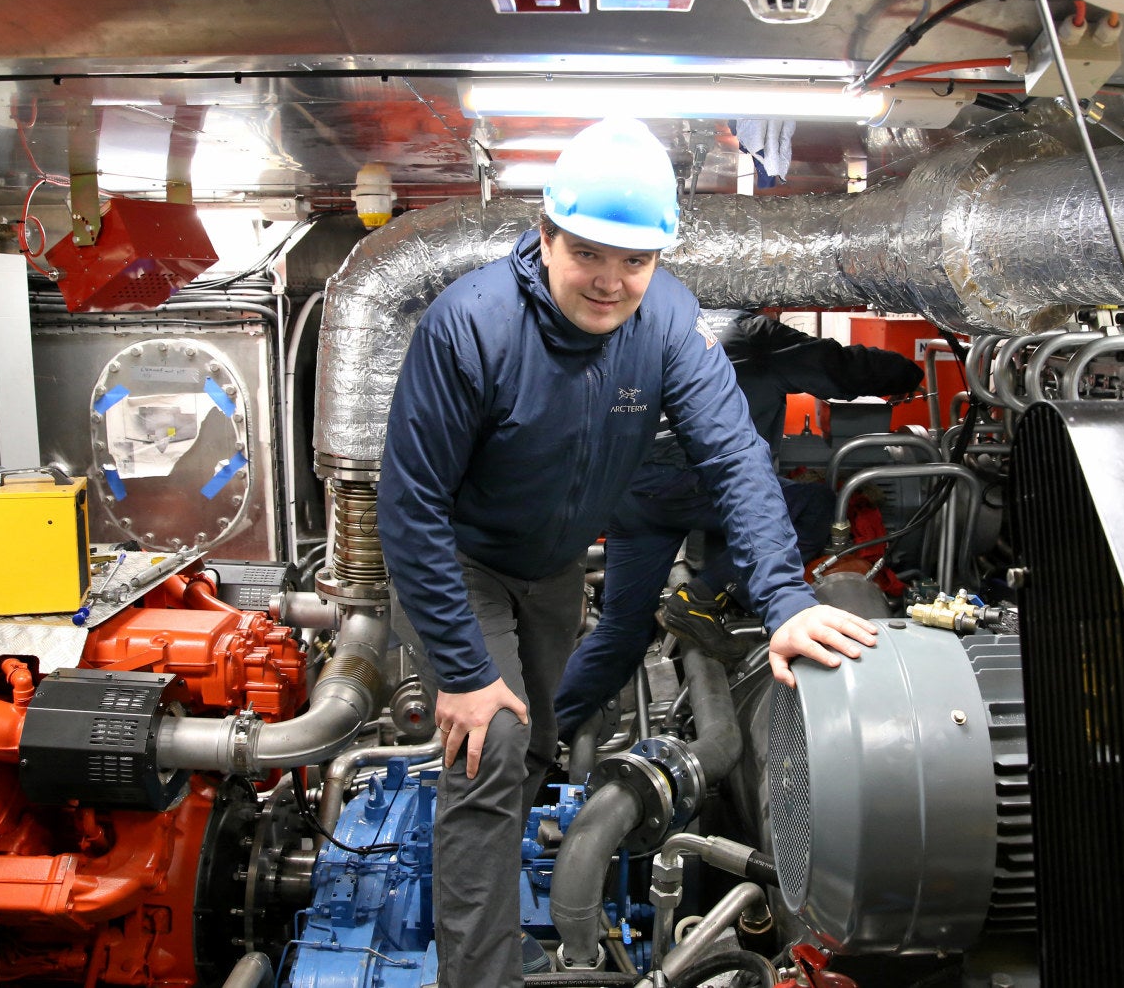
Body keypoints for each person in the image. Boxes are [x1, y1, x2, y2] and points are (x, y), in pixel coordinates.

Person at [375, 117, 880, 988]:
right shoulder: (470, 326)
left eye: (635, 260)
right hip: (460, 564)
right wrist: (460, 669)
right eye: (588, 253)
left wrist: (786, 600)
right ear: (546, 236)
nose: (611, 281)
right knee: (492, 742)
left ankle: (493, 902)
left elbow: (733, 454)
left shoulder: (668, 322)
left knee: (539, 740)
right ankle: (478, 974)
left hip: (553, 567)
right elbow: (410, 503)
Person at [552, 309, 925, 741]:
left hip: (631, 493)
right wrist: (907, 373)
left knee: (621, 631)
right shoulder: (755, 334)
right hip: (693, 483)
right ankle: (702, 598)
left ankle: (543, 739)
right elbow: (838, 367)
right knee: (816, 505)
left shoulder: (667, 320)